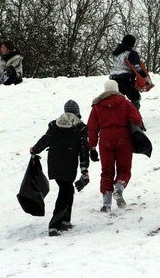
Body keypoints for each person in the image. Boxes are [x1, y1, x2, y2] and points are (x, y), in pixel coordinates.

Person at [30, 100, 90, 237]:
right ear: (77, 112)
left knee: (67, 189)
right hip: (69, 163)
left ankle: (66, 221)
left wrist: (35, 149)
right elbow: (83, 150)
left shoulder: (54, 124)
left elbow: (46, 139)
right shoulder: (81, 128)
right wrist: (84, 169)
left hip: (54, 162)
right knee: (66, 191)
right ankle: (54, 225)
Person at [87, 79, 142, 212]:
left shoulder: (97, 106)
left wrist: (92, 147)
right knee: (124, 169)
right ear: (117, 89)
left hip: (105, 140)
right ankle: (118, 188)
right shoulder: (125, 103)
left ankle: (106, 204)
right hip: (123, 138)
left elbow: (92, 128)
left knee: (107, 171)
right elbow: (137, 120)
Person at [109, 34, 152, 113]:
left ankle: (116, 118)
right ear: (132, 44)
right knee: (136, 97)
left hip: (113, 79)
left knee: (118, 100)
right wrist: (146, 78)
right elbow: (138, 68)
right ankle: (132, 118)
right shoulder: (131, 53)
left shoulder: (116, 53)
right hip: (125, 79)